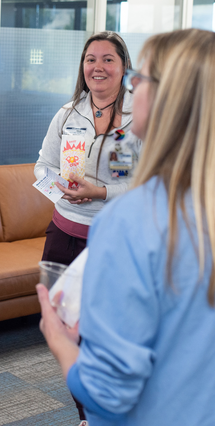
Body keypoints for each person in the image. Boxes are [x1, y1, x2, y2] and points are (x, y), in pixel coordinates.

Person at [38, 29, 215, 425]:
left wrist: (61, 341)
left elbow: (108, 392)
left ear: (170, 97)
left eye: (140, 78)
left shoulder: (133, 219)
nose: (131, 87)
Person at [35, 31, 141, 266]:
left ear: (124, 67)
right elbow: (43, 166)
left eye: (108, 59)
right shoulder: (67, 113)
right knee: (56, 303)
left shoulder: (142, 118)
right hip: (62, 237)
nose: (98, 67)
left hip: (116, 239)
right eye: (91, 59)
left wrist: (99, 192)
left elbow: (152, 185)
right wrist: (60, 187)